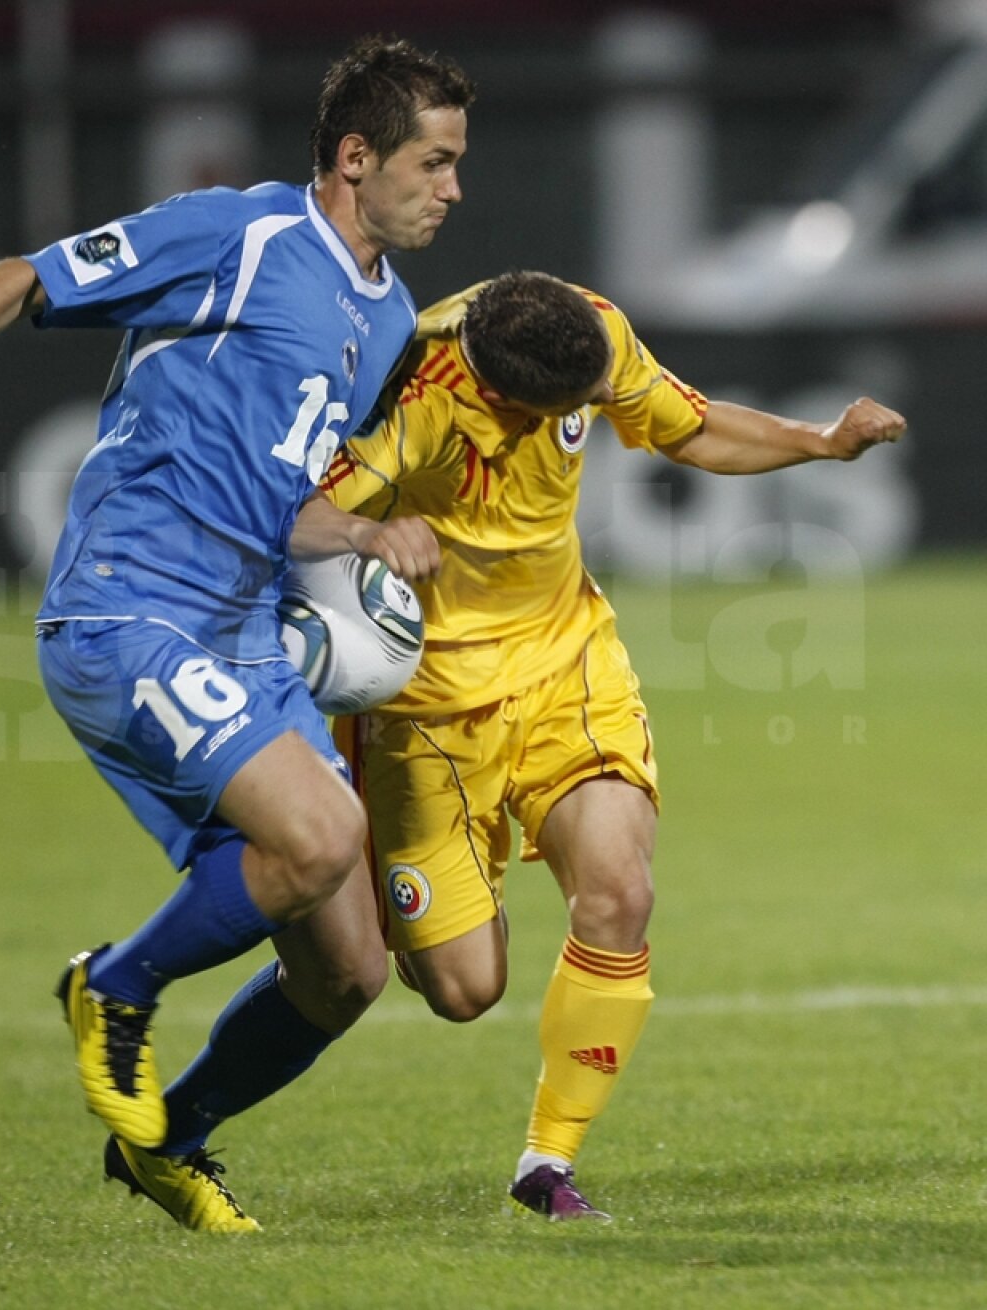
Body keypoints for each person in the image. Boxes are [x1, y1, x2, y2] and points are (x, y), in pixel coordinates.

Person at [0, 35, 472, 1233]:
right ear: (353, 155)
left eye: (455, 165)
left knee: (347, 971)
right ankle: (112, 986)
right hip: (127, 608)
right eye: (433, 163)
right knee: (324, 832)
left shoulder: (387, 324)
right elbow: (36, 274)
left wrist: (365, 535)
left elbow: (283, 493)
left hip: (240, 632)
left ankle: (169, 1140)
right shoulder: (242, 235)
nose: (452, 188)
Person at [318, 270, 906, 1221]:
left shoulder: (586, 328)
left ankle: (546, 1165)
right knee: (465, 989)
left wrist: (823, 442)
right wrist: (360, 534)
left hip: (565, 667)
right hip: (423, 711)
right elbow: (283, 514)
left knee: (622, 892)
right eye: (577, 405)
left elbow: (691, 423)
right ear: (505, 401)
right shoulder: (409, 401)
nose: (598, 405)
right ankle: (384, 898)